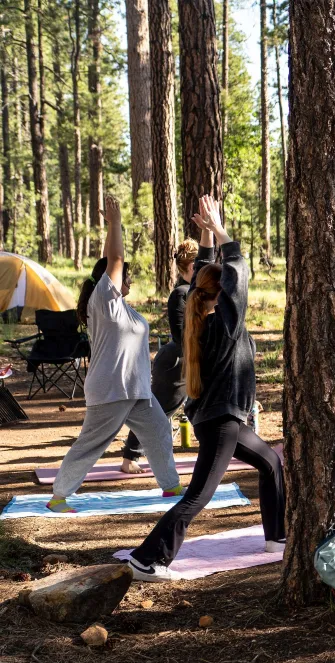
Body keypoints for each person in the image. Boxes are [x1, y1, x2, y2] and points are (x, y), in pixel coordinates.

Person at [125, 195, 284, 581]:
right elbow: (234, 280)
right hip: (221, 423)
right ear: (221, 298)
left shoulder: (201, 321)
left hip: (222, 418)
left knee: (271, 463)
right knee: (198, 495)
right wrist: (225, 236)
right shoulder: (226, 328)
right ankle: (149, 558)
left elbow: (204, 277)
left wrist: (207, 235)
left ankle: (277, 538)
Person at [47, 196, 182, 512]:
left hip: (135, 390)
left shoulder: (123, 307)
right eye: (125, 275)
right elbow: (117, 257)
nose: (130, 279)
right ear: (109, 278)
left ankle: (171, 485)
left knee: (159, 428)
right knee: (92, 443)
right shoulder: (104, 300)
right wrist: (115, 223)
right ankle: (59, 497)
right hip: (111, 388)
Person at [120, 237, 201, 474]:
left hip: (195, 361)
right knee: (159, 413)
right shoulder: (180, 294)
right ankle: (129, 458)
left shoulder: (198, 292)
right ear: (191, 266)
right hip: (175, 365)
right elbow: (180, 336)